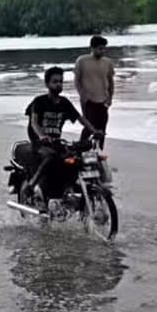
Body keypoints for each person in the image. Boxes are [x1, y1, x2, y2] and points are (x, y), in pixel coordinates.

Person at [24, 67, 103, 207]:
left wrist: (94, 130)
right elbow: (34, 122)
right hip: (39, 143)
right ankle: (31, 185)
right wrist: (42, 136)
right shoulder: (39, 101)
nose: (58, 85)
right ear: (47, 84)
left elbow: (80, 118)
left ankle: (67, 189)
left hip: (56, 142)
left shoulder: (64, 102)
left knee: (74, 158)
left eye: (61, 81)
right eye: (55, 82)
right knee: (51, 157)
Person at [74, 35, 115, 147]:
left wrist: (110, 97)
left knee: (102, 127)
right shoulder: (82, 61)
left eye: (104, 48)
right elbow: (77, 80)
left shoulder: (108, 62)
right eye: (100, 48)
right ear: (92, 48)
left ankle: (98, 151)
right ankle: (81, 148)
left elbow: (110, 81)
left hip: (103, 99)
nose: (102, 51)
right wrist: (82, 95)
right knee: (89, 126)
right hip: (88, 100)